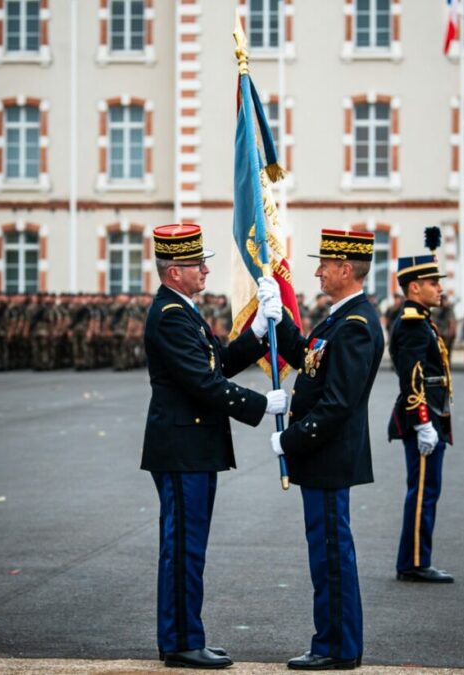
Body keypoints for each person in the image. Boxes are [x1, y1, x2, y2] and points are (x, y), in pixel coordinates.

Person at [140, 224, 287, 669]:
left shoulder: (181, 309)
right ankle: (182, 641)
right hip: (183, 450)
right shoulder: (169, 314)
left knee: (189, 547)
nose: (205, 269)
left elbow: (217, 362)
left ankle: (184, 636)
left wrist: (259, 330)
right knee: (184, 548)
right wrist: (261, 405)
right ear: (173, 273)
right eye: (196, 264)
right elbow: (203, 383)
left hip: (191, 448)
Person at [269, 229, 385, 671]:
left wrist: (289, 438)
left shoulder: (355, 326)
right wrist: (277, 316)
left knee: (332, 554)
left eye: (324, 264)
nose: (317, 270)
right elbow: (310, 361)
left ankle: (336, 646)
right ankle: (335, 641)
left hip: (328, 456)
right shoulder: (340, 318)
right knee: (326, 552)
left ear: (345, 269)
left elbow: (338, 402)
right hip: (323, 458)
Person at [386, 255, 455, 584]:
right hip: (423, 416)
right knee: (423, 491)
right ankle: (414, 562)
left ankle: (415, 559)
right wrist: (423, 422)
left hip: (431, 413)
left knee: (427, 490)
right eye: (433, 283)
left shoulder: (421, 319)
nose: (439, 288)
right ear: (414, 287)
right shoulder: (413, 322)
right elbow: (412, 378)